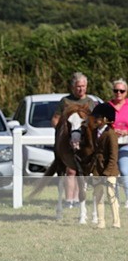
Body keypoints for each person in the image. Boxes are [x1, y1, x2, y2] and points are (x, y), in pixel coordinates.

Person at [51, 72, 98, 208]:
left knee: (81, 171)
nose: (81, 89)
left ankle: (78, 199)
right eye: (78, 87)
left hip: (84, 142)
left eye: (83, 86)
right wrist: (60, 130)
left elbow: (94, 122)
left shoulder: (90, 102)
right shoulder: (65, 101)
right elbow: (55, 119)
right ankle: (69, 199)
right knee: (70, 169)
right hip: (67, 141)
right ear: (73, 87)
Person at [89, 103, 121, 229]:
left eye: (98, 117)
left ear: (105, 119)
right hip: (97, 169)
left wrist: (107, 173)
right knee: (98, 195)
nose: (95, 119)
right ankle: (101, 221)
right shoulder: (94, 132)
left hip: (110, 170)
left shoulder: (111, 134)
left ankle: (116, 221)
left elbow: (113, 156)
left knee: (110, 194)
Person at [108, 78, 128, 207]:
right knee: (111, 173)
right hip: (110, 144)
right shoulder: (107, 106)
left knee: (125, 170)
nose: (118, 93)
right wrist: (112, 131)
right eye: (116, 90)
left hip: (125, 144)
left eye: (121, 91)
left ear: (126, 92)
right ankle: (114, 200)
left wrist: (126, 132)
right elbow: (100, 124)